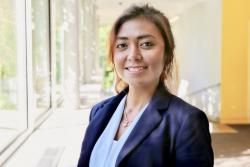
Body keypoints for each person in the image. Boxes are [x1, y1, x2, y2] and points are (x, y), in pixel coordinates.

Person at [77, 4, 214, 167]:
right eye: (122, 45)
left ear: (168, 54)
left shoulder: (187, 121)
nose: (133, 55)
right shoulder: (99, 112)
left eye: (146, 44)